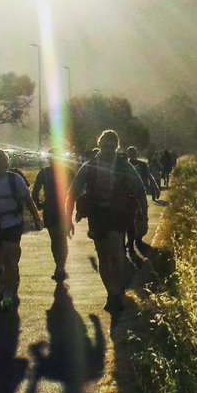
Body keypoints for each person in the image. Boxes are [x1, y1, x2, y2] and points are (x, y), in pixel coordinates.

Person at [65, 130, 146, 313]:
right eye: (104, 146)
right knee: (103, 255)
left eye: (111, 147)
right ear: (99, 145)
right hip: (98, 215)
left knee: (116, 252)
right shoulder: (89, 166)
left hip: (118, 214)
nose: (107, 150)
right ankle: (111, 292)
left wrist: (143, 217)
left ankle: (117, 292)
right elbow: (72, 193)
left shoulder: (124, 166)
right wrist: (67, 219)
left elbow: (140, 190)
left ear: (116, 147)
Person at [0, 148, 41, 310]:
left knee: (10, 258)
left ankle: (9, 293)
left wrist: (37, 218)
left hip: (12, 222)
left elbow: (27, 199)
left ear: (6, 163)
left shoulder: (15, 179)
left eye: (0, 162)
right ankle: (1, 279)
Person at [32, 147, 71, 281]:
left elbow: (35, 192)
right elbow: (35, 191)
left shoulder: (45, 173)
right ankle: (60, 266)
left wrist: (39, 204)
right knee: (59, 239)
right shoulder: (66, 172)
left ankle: (60, 266)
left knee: (57, 240)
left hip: (55, 208)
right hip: (58, 209)